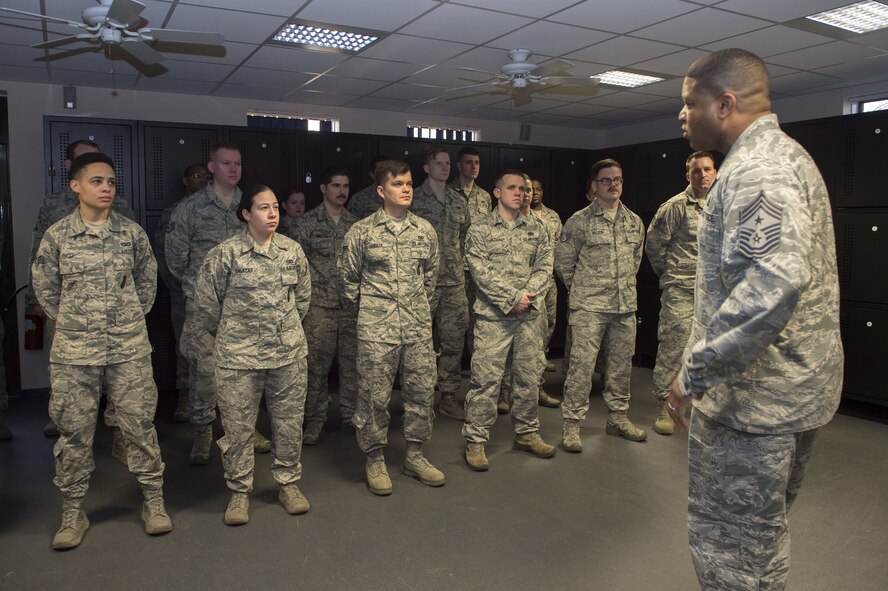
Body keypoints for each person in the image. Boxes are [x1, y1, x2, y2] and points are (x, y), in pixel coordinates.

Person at [667, 48, 843, 590]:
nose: (681, 115)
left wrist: (693, 374)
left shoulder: (757, 169)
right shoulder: (788, 157)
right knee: (761, 539)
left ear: (725, 104)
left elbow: (770, 286)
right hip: (794, 388)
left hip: (754, 403)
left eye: (689, 103)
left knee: (733, 551)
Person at [32, 152, 172, 549]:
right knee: (74, 433)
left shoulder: (131, 234)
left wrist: (126, 319)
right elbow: (45, 288)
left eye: (111, 181)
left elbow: (148, 282)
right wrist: (79, 324)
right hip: (75, 352)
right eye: (97, 181)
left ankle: (154, 502)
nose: (107, 188)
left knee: (140, 427)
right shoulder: (58, 235)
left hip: (128, 349)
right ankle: (73, 513)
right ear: (75, 186)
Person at [194, 185, 312, 526]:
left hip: (286, 355)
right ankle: (239, 491)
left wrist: (283, 331)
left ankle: (288, 484)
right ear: (246, 214)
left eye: (275, 206)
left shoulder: (292, 251)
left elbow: (302, 300)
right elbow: (206, 306)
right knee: (238, 428)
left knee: (288, 425)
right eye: (263, 207)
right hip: (238, 359)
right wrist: (235, 337)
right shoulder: (225, 254)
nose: (272, 213)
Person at [339, 159, 445, 496]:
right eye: (399, 184)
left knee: (421, 393)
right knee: (373, 398)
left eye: (410, 184)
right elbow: (348, 283)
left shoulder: (424, 230)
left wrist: (416, 311)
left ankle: (415, 455)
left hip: (416, 330)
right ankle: (374, 458)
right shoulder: (362, 232)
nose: (407, 189)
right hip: (376, 331)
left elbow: (431, 278)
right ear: (381, 191)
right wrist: (374, 313)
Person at [165, 142, 271, 464]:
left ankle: (245, 430)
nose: (233, 169)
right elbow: (175, 259)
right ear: (212, 168)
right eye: (226, 163)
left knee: (247, 375)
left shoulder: (251, 205)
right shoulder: (190, 208)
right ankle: (202, 435)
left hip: (245, 307)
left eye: (237, 163)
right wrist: (199, 290)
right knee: (204, 375)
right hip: (205, 309)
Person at [28, 139, 135, 457]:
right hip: (71, 308)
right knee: (66, 368)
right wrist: (42, 302)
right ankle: (63, 421)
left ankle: (117, 427)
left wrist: (132, 308)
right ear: (70, 170)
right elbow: (39, 256)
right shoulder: (53, 205)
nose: (101, 175)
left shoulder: (121, 205)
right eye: (88, 161)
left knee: (118, 372)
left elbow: (140, 267)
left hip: (115, 309)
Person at [462, 170, 556, 471]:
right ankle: (475, 441)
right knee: (485, 381)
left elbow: (545, 267)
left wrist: (527, 295)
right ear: (497, 193)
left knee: (528, 377)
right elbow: (480, 271)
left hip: (529, 316)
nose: (520, 192)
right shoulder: (479, 229)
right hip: (493, 318)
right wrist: (511, 297)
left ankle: (526, 434)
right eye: (512, 188)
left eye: (524, 188)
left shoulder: (539, 228)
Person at [555, 159, 647, 452]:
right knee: (581, 368)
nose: (612, 185)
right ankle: (571, 424)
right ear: (594, 186)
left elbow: (635, 261)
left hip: (624, 307)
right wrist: (584, 291)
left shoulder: (633, 221)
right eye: (606, 180)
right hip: (589, 308)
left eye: (617, 180)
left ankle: (618, 418)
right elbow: (564, 264)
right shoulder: (579, 221)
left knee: (620, 367)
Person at [645, 151, 715, 436]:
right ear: (688, 175)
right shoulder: (675, 207)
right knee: (674, 346)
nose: (702, 175)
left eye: (707, 169)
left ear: (715, 172)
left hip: (713, 294)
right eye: (696, 171)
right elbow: (654, 246)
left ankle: (701, 403)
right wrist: (671, 276)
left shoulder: (723, 205)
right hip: (682, 290)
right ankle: (664, 404)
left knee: (708, 349)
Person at [292, 167, 358, 443]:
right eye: (335, 185)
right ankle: (315, 420)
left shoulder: (357, 225)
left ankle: (351, 416)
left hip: (352, 306)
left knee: (353, 366)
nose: (341, 191)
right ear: (323, 188)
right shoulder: (306, 224)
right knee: (316, 368)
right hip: (319, 307)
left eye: (345, 186)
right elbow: (296, 268)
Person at [410, 144, 470, 420]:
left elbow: (464, 240)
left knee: (453, 342)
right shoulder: (414, 199)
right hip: (423, 285)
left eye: (448, 163)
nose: (445, 167)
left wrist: (462, 269)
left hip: (454, 283)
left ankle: (448, 396)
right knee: (419, 343)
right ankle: (418, 399)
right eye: (439, 163)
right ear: (427, 167)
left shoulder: (459, 200)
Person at [153, 163, 209, 422]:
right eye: (197, 176)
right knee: (185, 348)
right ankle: (185, 396)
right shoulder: (174, 212)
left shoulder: (221, 210)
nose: (202, 181)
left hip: (218, 299)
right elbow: (164, 256)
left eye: (206, 177)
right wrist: (181, 288)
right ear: (185, 180)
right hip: (184, 295)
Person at [450, 146, 492, 361]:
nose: (474, 166)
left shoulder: (485, 197)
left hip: (479, 271)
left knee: (478, 323)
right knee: (452, 325)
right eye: (468, 162)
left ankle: (477, 370)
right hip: (454, 271)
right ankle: (446, 375)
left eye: (476, 162)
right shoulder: (447, 194)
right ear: (458, 165)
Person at [530, 178, 563, 374]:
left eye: (538, 189)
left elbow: (561, 246)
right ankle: (533, 361)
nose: (534, 193)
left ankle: (542, 355)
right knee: (534, 324)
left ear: (542, 192)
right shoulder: (520, 215)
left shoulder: (552, 216)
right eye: (530, 189)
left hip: (549, 279)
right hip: (530, 281)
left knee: (550, 321)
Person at [345, 155, 389, 220]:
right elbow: (351, 226)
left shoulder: (401, 195)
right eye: (381, 171)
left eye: (388, 170)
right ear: (372, 175)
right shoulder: (359, 199)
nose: (386, 174)